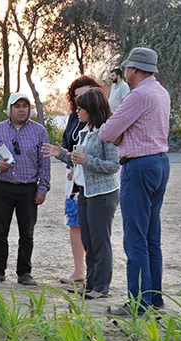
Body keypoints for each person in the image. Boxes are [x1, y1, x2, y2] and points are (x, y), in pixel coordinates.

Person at [99, 47, 171, 317]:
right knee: (152, 236)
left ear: (133, 69)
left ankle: (138, 302)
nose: (125, 72)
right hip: (160, 162)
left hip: (138, 165)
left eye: (127, 67)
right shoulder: (161, 93)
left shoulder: (137, 95)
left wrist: (121, 137)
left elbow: (107, 131)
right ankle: (154, 299)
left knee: (135, 238)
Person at [44, 88, 120, 300]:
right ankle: (92, 283)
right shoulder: (86, 131)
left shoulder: (107, 133)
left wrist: (86, 161)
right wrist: (60, 154)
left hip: (103, 194)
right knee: (88, 240)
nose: (77, 111)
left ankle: (102, 287)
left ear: (92, 109)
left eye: (81, 108)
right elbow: (78, 162)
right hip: (85, 192)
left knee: (100, 241)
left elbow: (114, 165)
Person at [0, 93, 51, 286]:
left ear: (29, 109)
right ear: (9, 109)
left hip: (28, 189)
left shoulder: (39, 131)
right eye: (17, 106)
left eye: (25, 106)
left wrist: (42, 188)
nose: (21, 109)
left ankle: (24, 272)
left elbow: (45, 163)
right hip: (3, 187)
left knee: (27, 232)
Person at [59, 76, 107, 288]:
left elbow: (110, 160)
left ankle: (97, 279)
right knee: (75, 223)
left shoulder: (104, 126)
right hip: (74, 178)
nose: (80, 102)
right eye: (77, 98)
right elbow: (69, 145)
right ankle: (79, 271)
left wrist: (81, 164)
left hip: (93, 182)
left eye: (85, 96)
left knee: (94, 231)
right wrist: (71, 166)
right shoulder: (74, 119)